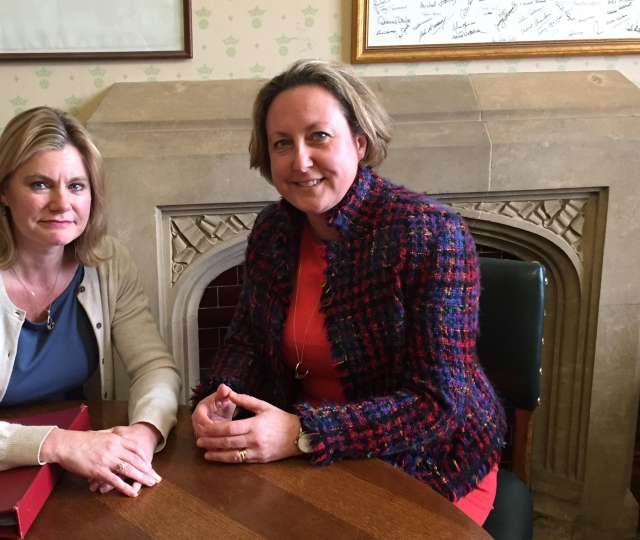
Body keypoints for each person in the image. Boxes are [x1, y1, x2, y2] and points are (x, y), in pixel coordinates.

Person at [191, 59, 504, 525]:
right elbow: (246, 342)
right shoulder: (272, 230)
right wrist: (221, 398)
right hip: (308, 446)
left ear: (360, 143)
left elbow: (438, 404)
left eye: (318, 136)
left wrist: (302, 432)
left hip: (428, 458)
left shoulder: (430, 234)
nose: (300, 160)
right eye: (282, 143)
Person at [0, 106, 181, 498]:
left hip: (74, 469)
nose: (62, 203)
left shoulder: (108, 262)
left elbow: (155, 367)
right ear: (3, 192)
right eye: (40, 185)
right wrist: (60, 444)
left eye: (77, 186)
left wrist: (143, 435)